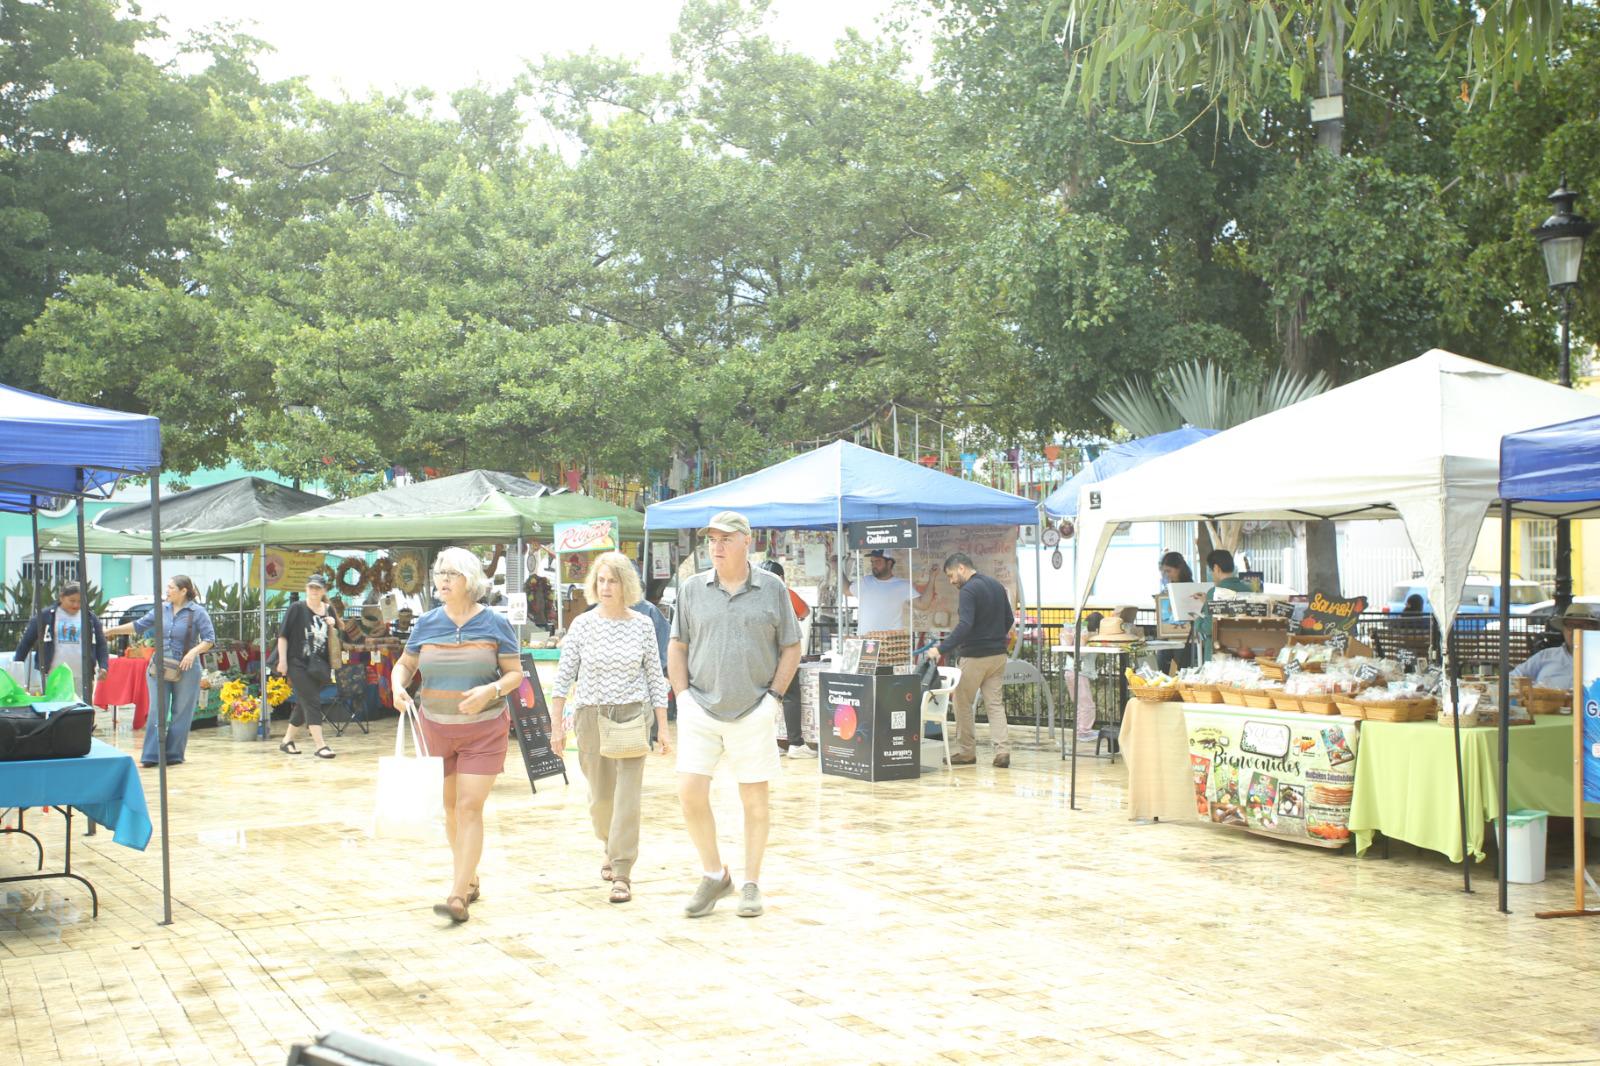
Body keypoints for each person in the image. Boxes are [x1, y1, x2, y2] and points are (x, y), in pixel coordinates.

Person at [670, 511, 801, 919]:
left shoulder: (772, 588)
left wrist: (773, 699)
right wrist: (682, 697)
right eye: (712, 539)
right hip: (700, 709)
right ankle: (714, 874)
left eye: (726, 539)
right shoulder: (692, 588)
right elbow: (678, 645)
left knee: (755, 801)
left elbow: (792, 646)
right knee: (689, 793)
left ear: (748, 541)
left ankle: (751, 883)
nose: (718, 547)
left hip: (753, 709)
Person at [389, 547, 523, 924]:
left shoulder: (495, 624)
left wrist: (491, 691)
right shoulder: (427, 623)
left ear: (471, 580)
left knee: (468, 807)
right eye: (440, 573)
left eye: (452, 574)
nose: (443, 580)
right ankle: (470, 876)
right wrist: (399, 686)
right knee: (450, 809)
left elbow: (515, 674)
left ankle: (457, 893)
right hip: (435, 728)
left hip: (483, 732)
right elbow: (406, 663)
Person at [549, 551, 671, 904]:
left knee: (627, 797)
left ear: (625, 585)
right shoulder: (583, 625)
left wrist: (662, 727)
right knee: (601, 798)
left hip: (633, 715)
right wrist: (557, 726)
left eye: (612, 580)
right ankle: (608, 842)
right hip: (590, 716)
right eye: (601, 580)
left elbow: (654, 677)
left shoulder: (643, 624)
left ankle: (622, 870)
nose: (605, 586)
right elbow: (563, 678)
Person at [104, 575, 216, 768]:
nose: (167, 590)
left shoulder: (198, 612)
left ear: (184, 591)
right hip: (160, 665)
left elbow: (209, 639)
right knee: (157, 709)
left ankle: (173, 755)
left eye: (171, 587)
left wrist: (193, 652)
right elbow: (138, 626)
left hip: (187, 666)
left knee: (182, 711)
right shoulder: (161, 610)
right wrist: (111, 631)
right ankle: (151, 755)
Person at [927, 552, 1015, 768]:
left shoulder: (968, 590)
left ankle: (967, 752)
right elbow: (1010, 619)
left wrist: (941, 648)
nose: (951, 581)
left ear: (961, 568)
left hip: (975, 656)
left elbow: (965, 625)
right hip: (998, 656)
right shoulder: (996, 585)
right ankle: (1002, 751)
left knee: (962, 703)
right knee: (995, 704)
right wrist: (995, 639)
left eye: (951, 575)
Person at [274, 573, 338, 759]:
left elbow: (336, 640)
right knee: (312, 701)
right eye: (311, 587)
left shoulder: (329, 610)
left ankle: (287, 741)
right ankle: (320, 745)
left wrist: (333, 625)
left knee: (304, 703)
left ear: (324, 590)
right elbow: (283, 635)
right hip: (297, 663)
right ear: (306, 589)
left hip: (320, 665)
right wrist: (283, 661)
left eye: (318, 588)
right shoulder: (297, 608)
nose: (314, 591)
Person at [759, 559, 814, 759]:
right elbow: (806, 611)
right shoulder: (784, 592)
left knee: (763, 698)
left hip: (759, 655)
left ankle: (772, 742)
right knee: (790, 697)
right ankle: (796, 743)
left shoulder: (754, 593)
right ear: (782, 577)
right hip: (783, 653)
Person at [14, 582, 108, 690]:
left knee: (81, 706)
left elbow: (101, 644)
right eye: (72, 601)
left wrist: (103, 666)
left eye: (80, 601)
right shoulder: (46, 616)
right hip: (53, 674)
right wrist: (16, 666)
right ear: (62, 597)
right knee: (54, 705)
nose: (76, 605)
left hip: (82, 675)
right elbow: (26, 642)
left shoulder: (90, 618)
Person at [1510, 602, 1600, 688]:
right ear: (1563, 630)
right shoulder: (1545, 656)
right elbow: (1512, 679)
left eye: (1582, 626)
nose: (1575, 631)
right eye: (1570, 625)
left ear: (1594, 630)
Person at [849, 550, 912, 633]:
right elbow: (847, 590)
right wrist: (836, 567)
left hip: (891, 642)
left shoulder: (903, 585)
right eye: (872, 562)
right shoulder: (865, 581)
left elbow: (923, 604)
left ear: (889, 563)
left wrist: (933, 577)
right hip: (865, 641)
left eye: (878, 561)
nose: (874, 565)